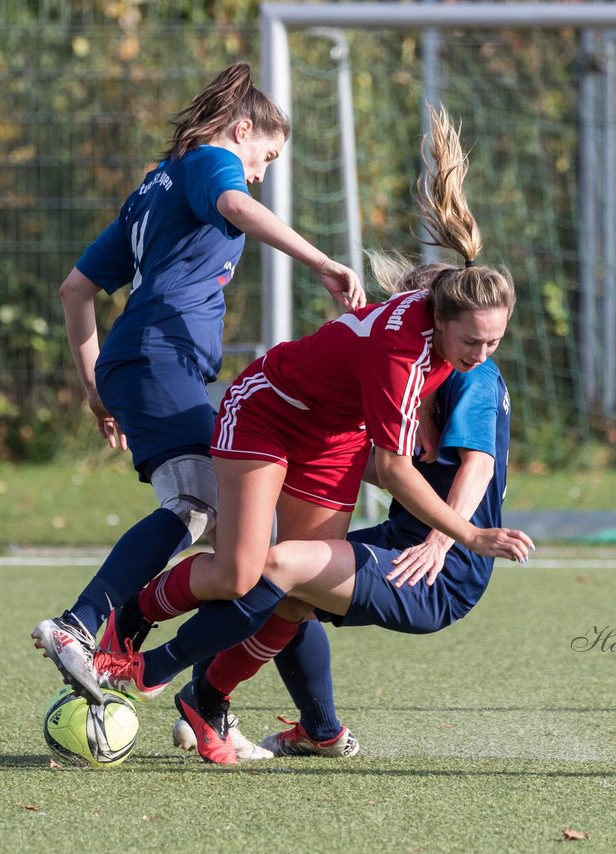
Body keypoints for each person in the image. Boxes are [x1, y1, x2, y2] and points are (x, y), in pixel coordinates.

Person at [78, 107, 535, 761]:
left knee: (280, 579)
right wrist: (461, 532)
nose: (484, 353)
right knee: (259, 573)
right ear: (439, 314)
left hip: (413, 537)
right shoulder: (408, 350)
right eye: (474, 340)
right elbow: (394, 464)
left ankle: (197, 690)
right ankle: (148, 650)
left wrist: (447, 536)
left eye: (494, 340)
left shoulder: (466, 368)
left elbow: (469, 464)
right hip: (274, 415)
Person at [32, 62, 364, 700]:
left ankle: (212, 702)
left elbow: (76, 290)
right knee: (197, 504)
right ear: (240, 130)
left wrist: (96, 388)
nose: (261, 173)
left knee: (252, 556)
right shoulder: (212, 160)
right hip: (160, 360)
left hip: (148, 366)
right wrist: (320, 261)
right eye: (264, 156)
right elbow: (236, 201)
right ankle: (82, 625)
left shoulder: (152, 187)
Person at [169, 356, 514, 762]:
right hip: (400, 539)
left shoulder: (472, 370)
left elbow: (479, 467)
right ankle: (317, 730)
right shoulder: (414, 358)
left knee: (272, 570)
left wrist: (440, 542)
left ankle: (188, 687)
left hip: (443, 570)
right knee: (264, 582)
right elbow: (391, 465)